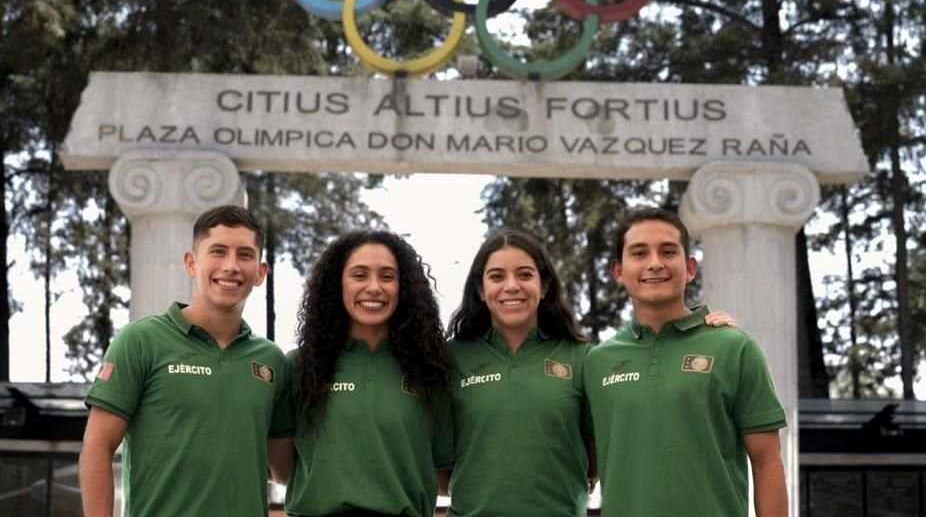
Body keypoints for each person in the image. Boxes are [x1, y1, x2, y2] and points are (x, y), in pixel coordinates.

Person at [437, 229, 738, 516]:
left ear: (544, 287)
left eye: (525, 274)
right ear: (480, 289)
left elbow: (600, 452)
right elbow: (441, 466)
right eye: (496, 276)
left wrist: (707, 334)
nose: (511, 286)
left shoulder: (584, 359)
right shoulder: (451, 360)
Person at [79, 205, 294, 517]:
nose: (231, 266)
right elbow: (97, 446)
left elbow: (284, 469)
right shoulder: (140, 341)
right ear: (191, 263)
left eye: (245, 255)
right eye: (218, 251)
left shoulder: (272, 361)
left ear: (261, 273)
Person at [584, 207, 788, 517]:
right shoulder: (596, 363)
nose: (655, 263)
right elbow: (584, 465)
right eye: (639, 253)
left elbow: (767, 463)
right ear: (618, 272)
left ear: (690, 267)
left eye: (668, 251)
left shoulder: (734, 348)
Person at [277, 230, 451, 517]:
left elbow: (442, 471)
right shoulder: (298, 367)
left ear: (403, 287)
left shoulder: (430, 371)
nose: (373, 287)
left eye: (387, 276)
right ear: (338, 284)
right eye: (359, 275)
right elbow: (283, 469)